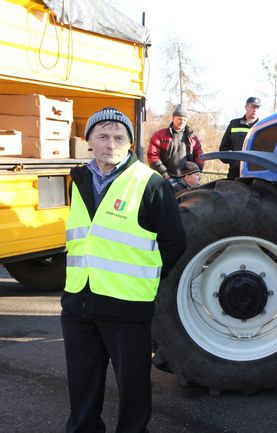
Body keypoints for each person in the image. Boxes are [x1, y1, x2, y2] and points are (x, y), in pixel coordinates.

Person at [61, 107, 187, 433]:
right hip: (79, 303)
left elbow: (174, 243)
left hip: (127, 306)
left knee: (132, 388)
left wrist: (144, 279)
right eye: (102, 136)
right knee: (82, 384)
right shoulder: (78, 180)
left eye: (119, 137)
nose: (111, 144)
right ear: (89, 140)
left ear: (130, 144)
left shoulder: (150, 183)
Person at [147, 104, 204, 184]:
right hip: (166, 178)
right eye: (179, 119)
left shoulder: (193, 138)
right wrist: (164, 173)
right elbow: (152, 155)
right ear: (173, 118)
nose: (182, 122)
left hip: (186, 179)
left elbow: (200, 156)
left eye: (184, 120)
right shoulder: (160, 135)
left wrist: (196, 173)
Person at [219, 96, 261, 179]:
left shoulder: (263, 126)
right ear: (246, 107)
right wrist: (234, 161)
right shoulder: (234, 124)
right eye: (252, 106)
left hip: (256, 175)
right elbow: (223, 149)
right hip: (235, 174)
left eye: (257, 107)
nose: (255, 109)